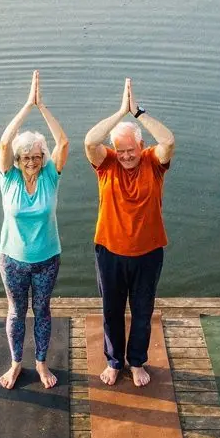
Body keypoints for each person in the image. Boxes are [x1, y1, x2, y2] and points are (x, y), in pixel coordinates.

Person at [85, 79, 175, 387]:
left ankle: (136, 361)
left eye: (130, 150)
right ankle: (114, 361)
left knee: (142, 311)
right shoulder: (106, 163)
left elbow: (169, 141)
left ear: (141, 146)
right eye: (120, 150)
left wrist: (137, 112)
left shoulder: (153, 162)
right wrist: (119, 112)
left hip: (148, 253)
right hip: (109, 252)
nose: (125, 156)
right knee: (111, 310)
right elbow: (90, 141)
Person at [0, 70, 69, 391]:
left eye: (37, 157)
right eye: (26, 157)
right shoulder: (9, 178)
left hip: (47, 259)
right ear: (18, 159)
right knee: (16, 312)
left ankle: (40, 362)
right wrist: (27, 105)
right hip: (12, 259)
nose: (31, 162)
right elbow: (4, 141)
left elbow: (63, 142)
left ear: (43, 157)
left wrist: (43, 107)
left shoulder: (50, 176)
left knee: (42, 310)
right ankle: (16, 363)